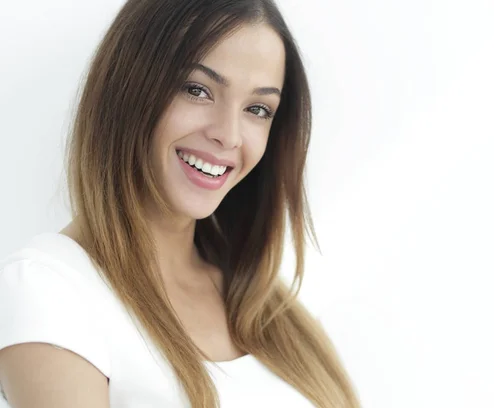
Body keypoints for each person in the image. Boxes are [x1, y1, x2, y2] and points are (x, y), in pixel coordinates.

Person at [0, 0, 361, 407]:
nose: (228, 135)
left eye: (257, 109)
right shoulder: (48, 286)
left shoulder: (267, 303)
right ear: (128, 88)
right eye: (197, 89)